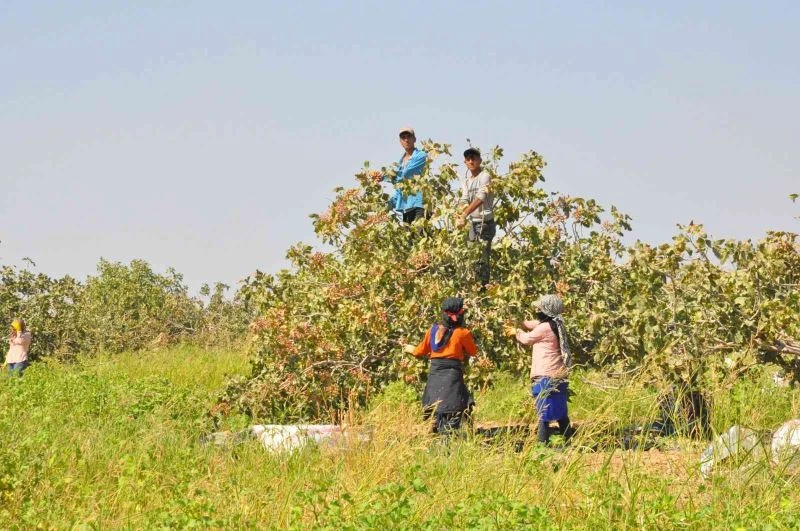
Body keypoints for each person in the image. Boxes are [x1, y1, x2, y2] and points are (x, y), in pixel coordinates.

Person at [404, 297, 477, 435]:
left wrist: (409, 348)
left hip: (435, 378)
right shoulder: (463, 333)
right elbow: (473, 352)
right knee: (454, 409)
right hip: (452, 378)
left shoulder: (432, 331)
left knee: (437, 412)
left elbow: (420, 351)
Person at [506, 294, 572, 445]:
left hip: (546, 374)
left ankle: (542, 443)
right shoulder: (557, 323)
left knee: (543, 410)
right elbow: (534, 324)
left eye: (540, 308)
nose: (537, 310)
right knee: (560, 409)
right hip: (558, 374)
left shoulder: (544, 328)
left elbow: (526, 339)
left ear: (546, 311)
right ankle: (569, 439)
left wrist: (516, 331)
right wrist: (520, 323)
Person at [370, 127, 428, 223]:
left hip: (420, 205)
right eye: (403, 138)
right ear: (400, 141)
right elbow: (399, 189)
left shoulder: (421, 155)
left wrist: (383, 177)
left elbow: (406, 173)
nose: (406, 140)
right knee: (409, 237)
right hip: (407, 207)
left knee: (420, 234)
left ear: (414, 139)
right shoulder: (400, 162)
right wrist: (384, 207)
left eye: (409, 137)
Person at [457, 147, 495, 287]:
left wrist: (465, 213)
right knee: (472, 256)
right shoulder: (467, 181)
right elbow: (464, 198)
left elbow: (481, 197)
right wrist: (459, 211)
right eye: (468, 159)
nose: (471, 161)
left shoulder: (485, 176)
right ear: (465, 162)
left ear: (480, 160)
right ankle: (474, 285)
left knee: (482, 257)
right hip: (473, 223)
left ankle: (483, 287)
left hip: (485, 222)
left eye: (474, 158)